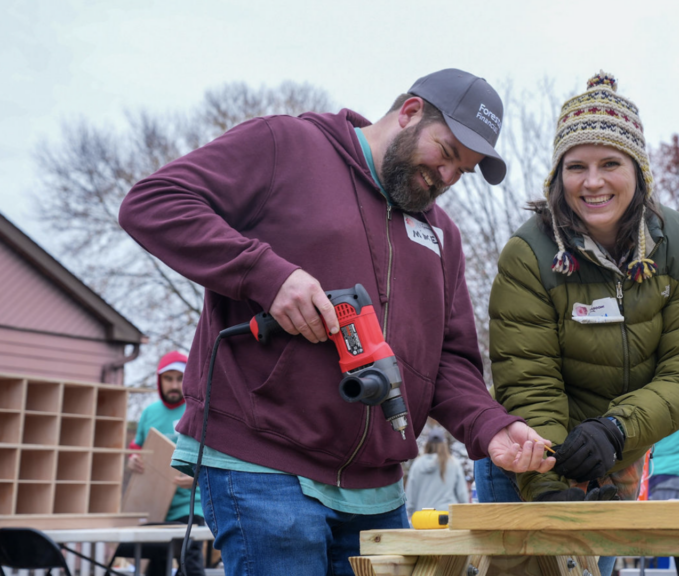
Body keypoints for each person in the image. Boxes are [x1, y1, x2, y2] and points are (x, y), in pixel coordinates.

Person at [118, 68, 555, 576]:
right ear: (410, 113)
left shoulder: (443, 238)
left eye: (466, 170)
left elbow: (449, 364)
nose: (449, 178)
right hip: (262, 466)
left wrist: (491, 427)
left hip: (377, 490)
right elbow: (153, 203)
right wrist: (266, 275)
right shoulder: (288, 145)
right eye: (448, 153)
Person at [475, 71, 679, 576]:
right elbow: (527, 376)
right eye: (576, 166)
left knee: (593, 570)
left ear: (638, 169)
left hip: (619, 450)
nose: (592, 182)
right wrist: (549, 489)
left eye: (610, 163)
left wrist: (615, 430)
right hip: (530, 454)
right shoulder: (529, 253)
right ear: (556, 176)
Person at [126, 351, 205, 576]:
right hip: (155, 506)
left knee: (189, 561)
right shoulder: (149, 412)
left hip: (190, 506)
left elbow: (212, 456)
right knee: (156, 565)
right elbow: (136, 450)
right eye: (168, 378)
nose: (174, 384)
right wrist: (132, 462)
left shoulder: (198, 411)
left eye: (179, 378)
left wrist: (196, 478)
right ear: (159, 380)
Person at [405, 427, 469, 517]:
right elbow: (462, 495)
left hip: (422, 518)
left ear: (427, 444)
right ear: (444, 444)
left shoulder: (417, 464)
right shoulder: (453, 464)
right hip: (446, 517)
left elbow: (410, 495)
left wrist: (411, 515)